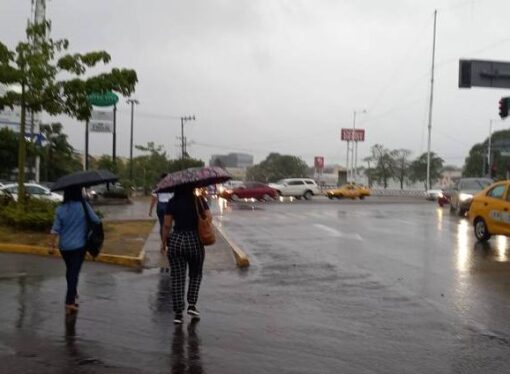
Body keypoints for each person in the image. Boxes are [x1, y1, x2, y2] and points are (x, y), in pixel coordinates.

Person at [161, 185, 211, 324]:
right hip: (194, 240)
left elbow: (166, 225)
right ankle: (192, 305)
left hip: (176, 241)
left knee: (177, 277)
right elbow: (209, 217)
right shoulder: (198, 200)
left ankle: (178, 314)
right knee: (196, 273)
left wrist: (164, 242)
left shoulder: (172, 202)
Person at [49, 186, 100, 315]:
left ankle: (73, 291)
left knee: (70, 270)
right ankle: (69, 302)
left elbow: (55, 229)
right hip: (79, 246)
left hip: (64, 247)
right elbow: (96, 220)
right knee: (74, 273)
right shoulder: (83, 206)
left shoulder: (60, 209)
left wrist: (51, 245)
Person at [149, 173, 173, 272]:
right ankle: (167, 244)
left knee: (162, 225)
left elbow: (154, 198)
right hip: (169, 206)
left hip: (160, 206)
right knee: (168, 226)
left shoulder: (158, 185)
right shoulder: (172, 185)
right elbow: (174, 197)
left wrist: (150, 210)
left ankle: (163, 245)